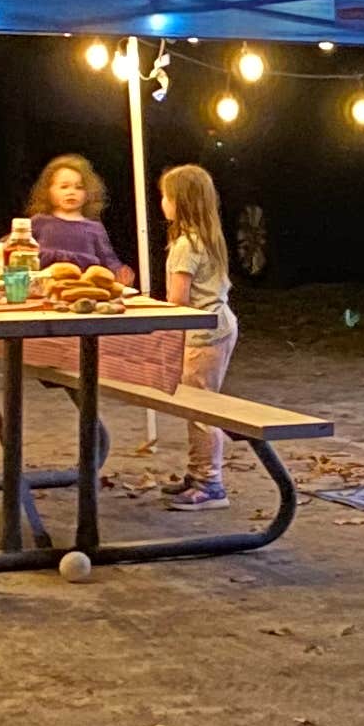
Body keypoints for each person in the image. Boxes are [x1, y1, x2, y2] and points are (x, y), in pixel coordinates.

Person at [154, 163, 239, 507]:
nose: (162, 202)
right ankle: (196, 472)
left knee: (200, 407)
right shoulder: (207, 237)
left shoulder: (186, 245)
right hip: (218, 326)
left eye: (166, 196)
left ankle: (210, 482)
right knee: (196, 404)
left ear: (180, 201)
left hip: (204, 333)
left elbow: (178, 298)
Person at [21, 151, 119, 270]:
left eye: (79, 187)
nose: (71, 192)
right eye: (64, 187)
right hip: (44, 286)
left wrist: (120, 273)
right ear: (48, 191)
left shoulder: (95, 229)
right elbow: (10, 248)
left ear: (88, 193)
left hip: (83, 286)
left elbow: (110, 262)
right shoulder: (38, 222)